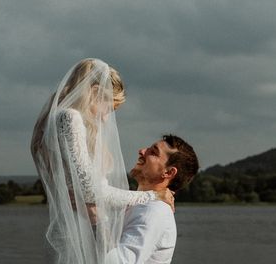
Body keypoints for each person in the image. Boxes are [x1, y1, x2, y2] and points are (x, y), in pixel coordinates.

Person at [31, 59, 175, 264]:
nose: (108, 119)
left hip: (82, 228)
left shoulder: (57, 119)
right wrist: (153, 196)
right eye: (110, 108)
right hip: (86, 229)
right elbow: (91, 191)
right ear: (95, 92)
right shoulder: (70, 117)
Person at [106, 134, 200, 264]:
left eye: (153, 152)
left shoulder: (154, 210)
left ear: (168, 173)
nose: (142, 151)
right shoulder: (136, 203)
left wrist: (95, 218)